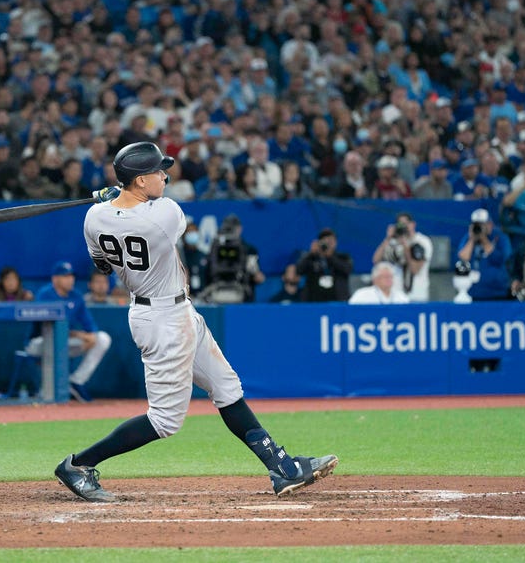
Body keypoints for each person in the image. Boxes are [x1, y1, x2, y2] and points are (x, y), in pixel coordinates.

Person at [55, 141, 337, 503]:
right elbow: (148, 219)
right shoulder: (165, 215)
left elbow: (103, 266)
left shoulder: (93, 217)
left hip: (169, 310)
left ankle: (282, 468)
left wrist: (113, 205)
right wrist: (120, 202)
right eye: (157, 172)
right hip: (163, 320)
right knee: (164, 421)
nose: (165, 176)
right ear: (139, 180)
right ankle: (79, 464)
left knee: (226, 387)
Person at [27, 261, 111, 403]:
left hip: (65, 343)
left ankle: (76, 381)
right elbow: (47, 328)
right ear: (55, 279)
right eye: (65, 276)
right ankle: (47, 391)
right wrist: (80, 335)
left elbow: (90, 326)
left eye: (71, 276)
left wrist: (90, 337)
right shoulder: (45, 295)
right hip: (39, 343)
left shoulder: (76, 296)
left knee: (102, 339)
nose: (70, 279)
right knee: (51, 341)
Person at [199, 213, 265, 303]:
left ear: (240, 228)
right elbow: (208, 271)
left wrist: (253, 270)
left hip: (241, 295)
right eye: (228, 228)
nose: (231, 231)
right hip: (218, 293)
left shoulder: (248, 249)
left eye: (233, 228)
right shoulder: (216, 248)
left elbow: (259, 278)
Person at [372, 212, 433, 302]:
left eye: (405, 224)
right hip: (397, 295)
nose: (403, 227)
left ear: (413, 224)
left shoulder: (422, 242)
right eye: (400, 224)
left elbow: (415, 269)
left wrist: (405, 246)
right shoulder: (393, 242)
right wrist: (388, 238)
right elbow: (376, 260)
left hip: (416, 294)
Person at [455, 208, 513, 300]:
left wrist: (484, 240)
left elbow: (500, 260)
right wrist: (472, 239)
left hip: (498, 292)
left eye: (482, 224)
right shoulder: (468, 238)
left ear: (490, 224)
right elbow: (463, 259)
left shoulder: (500, 237)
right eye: (476, 224)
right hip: (474, 292)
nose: (479, 227)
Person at [295, 228, 353, 302]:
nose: (328, 244)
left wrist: (330, 257)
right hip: (314, 301)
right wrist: (310, 254)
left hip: (337, 300)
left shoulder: (343, 257)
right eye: (325, 241)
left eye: (331, 241)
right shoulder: (311, 258)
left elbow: (347, 269)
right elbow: (298, 270)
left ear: (335, 243)